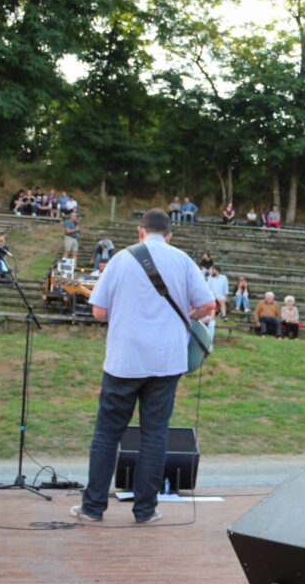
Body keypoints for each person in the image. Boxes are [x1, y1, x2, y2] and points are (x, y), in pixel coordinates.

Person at [74, 208, 215, 524]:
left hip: (125, 360)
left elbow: (98, 312)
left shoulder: (121, 259)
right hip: (166, 361)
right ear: (169, 236)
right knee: (155, 434)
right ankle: (145, 510)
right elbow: (208, 305)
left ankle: (93, 508)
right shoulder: (183, 260)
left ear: (140, 232)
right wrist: (186, 316)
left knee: (107, 434)